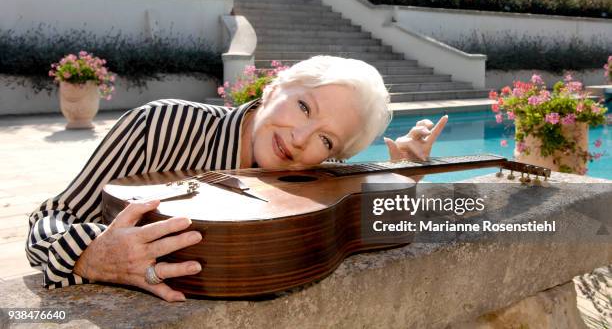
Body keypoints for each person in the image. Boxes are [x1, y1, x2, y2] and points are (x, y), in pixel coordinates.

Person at [26, 55, 448, 302]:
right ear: (272, 89)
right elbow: (50, 218)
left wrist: (403, 177)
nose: (300, 140)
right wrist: (89, 255)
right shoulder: (163, 122)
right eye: (303, 107)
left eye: (325, 139)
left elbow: (369, 231)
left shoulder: (314, 184)